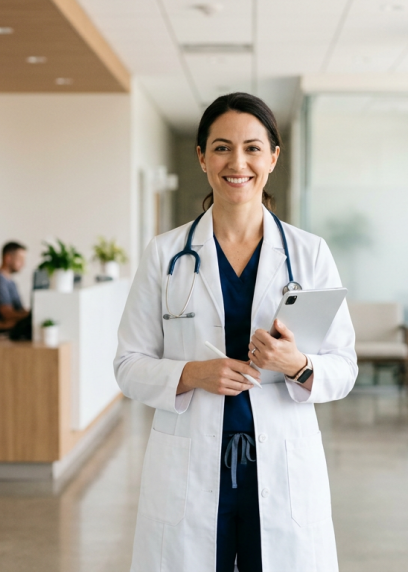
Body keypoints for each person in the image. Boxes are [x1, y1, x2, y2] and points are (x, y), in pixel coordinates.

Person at [114, 93, 358, 572]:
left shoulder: (309, 254)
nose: (237, 162)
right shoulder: (166, 255)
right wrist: (191, 373)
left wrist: (298, 365)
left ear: (272, 157)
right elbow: (128, 365)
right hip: (190, 462)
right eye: (222, 148)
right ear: (202, 157)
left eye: (252, 147)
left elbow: (344, 367)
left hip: (281, 464)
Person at [0, 241, 29, 321]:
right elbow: (7, 314)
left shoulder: (11, 282)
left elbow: (20, 309)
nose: (23, 264)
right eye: (20, 259)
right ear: (8, 258)